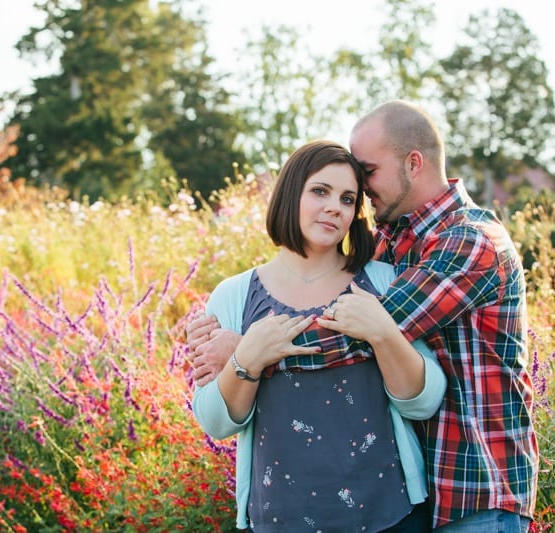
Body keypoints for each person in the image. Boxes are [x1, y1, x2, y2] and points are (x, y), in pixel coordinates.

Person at [188, 101, 538, 532]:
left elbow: (360, 334)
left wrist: (246, 350)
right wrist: (210, 336)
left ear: (413, 162)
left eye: (363, 178)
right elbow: (213, 410)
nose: (350, 201)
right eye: (321, 191)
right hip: (420, 488)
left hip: (477, 484)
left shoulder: (469, 242)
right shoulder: (393, 240)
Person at [191, 139, 446, 532]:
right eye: (320, 191)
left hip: (388, 514)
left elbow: (423, 402)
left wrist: (383, 334)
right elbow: (217, 422)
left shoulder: (381, 281)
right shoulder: (235, 295)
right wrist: (248, 358)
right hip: (279, 517)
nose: (334, 207)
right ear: (291, 194)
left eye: (347, 199)